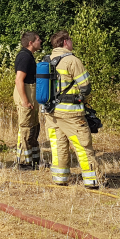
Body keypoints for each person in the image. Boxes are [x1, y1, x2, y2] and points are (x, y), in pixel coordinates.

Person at [43, 30, 102, 189]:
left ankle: (60, 178)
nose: (72, 42)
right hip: (71, 113)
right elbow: (85, 86)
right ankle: (92, 180)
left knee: (58, 146)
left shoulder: (47, 60)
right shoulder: (72, 60)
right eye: (70, 39)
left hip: (51, 113)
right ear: (64, 42)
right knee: (83, 145)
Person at [14, 31, 44, 170]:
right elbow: (19, 80)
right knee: (26, 128)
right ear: (31, 43)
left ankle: (33, 159)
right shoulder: (24, 57)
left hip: (30, 94)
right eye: (38, 39)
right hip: (26, 95)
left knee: (34, 127)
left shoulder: (29, 56)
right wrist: (25, 101)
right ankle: (23, 162)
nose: (40, 41)